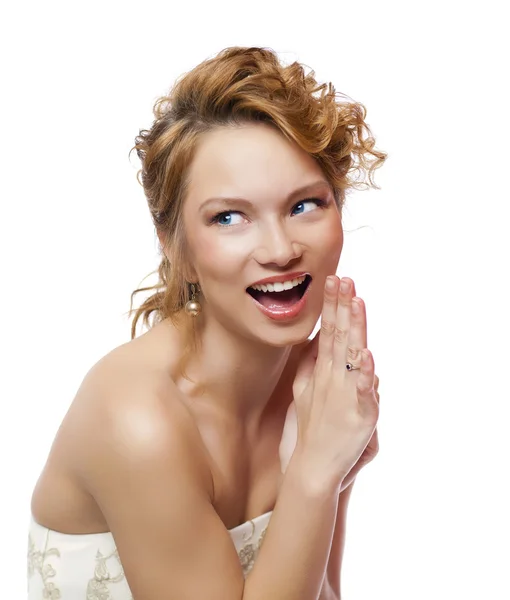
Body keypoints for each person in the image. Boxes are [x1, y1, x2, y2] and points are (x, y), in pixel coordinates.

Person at [27, 46, 386, 600]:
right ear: (176, 248)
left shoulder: (315, 391)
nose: (280, 249)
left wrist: (333, 470)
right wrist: (316, 473)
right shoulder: (136, 418)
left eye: (304, 205)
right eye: (229, 217)